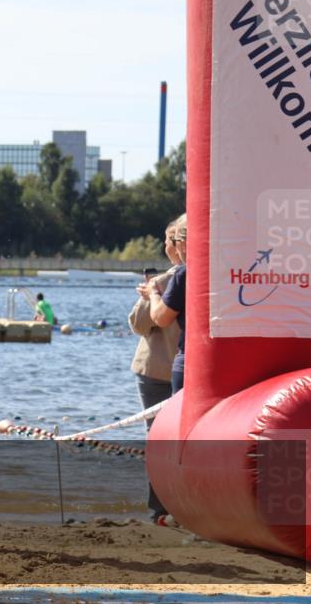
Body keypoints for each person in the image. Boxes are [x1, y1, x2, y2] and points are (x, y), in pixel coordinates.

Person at [128, 215, 184, 523]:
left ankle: (159, 508)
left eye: (167, 240)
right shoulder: (200, 276)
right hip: (181, 371)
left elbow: (138, 323)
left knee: (158, 439)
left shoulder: (163, 282)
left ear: (175, 245)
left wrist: (149, 296)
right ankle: (177, 504)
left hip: (155, 371)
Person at [140, 214, 188, 394]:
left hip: (189, 361)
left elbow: (161, 317)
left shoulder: (183, 275)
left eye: (173, 240)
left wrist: (153, 294)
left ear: (182, 244)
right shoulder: (229, 270)